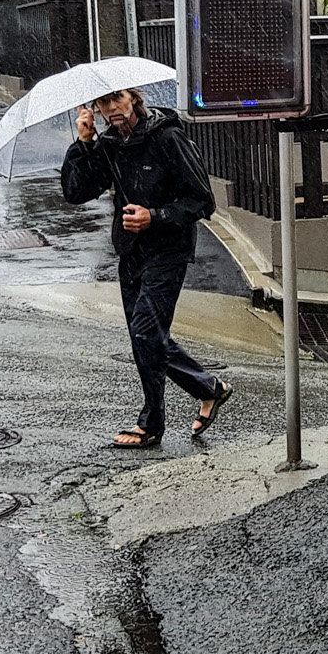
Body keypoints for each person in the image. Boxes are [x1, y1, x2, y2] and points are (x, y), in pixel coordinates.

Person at [61, 88, 232, 448]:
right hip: (131, 253)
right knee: (147, 339)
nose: (111, 108)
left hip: (168, 250)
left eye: (117, 99)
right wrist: (83, 142)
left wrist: (153, 216)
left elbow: (202, 201)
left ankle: (152, 423)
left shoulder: (167, 137)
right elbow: (76, 191)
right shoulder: (109, 143)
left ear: (133, 98)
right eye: (103, 103)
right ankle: (207, 388)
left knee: (145, 334)